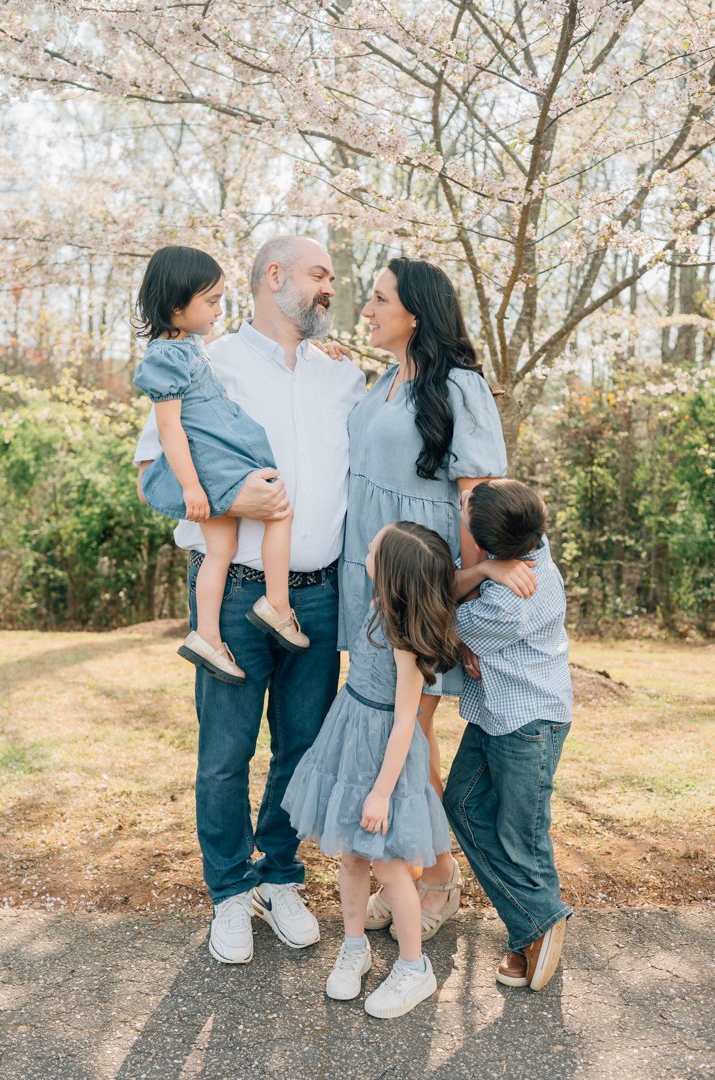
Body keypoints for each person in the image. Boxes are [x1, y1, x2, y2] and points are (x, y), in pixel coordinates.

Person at [134, 236, 366, 964]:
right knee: (225, 757)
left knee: (301, 750)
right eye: (319, 274)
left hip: (320, 597)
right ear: (275, 277)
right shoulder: (208, 363)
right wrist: (233, 497)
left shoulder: (345, 376)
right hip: (232, 596)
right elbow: (152, 471)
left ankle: (281, 877)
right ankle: (231, 893)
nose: (331, 286)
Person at [338, 256, 535, 938]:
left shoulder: (460, 386)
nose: (366, 309)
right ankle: (414, 863)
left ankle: (435, 870)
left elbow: (475, 499)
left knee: (411, 732)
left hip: (423, 584)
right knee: (384, 729)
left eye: (379, 299)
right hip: (366, 580)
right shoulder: (384, 382)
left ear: (416, 312)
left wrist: (472, 604)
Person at [283, 522, 460, 1018]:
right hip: (350, 737)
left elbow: (406, 722)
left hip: (387, 760)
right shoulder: (379, 605)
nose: (366, 551)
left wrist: (381, 793)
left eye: (374, 549)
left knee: (390, 864)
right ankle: (355, 945)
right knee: (352, 857)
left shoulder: (405, 640)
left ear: (394, 574)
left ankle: (412, 967)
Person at [133, 245, 308, 686]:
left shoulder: (186, 346)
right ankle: (277, 605)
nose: (219, 309)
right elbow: (169, 430)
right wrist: (192, 488)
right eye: (210, 301)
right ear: (177, 307)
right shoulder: (166, 357)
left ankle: (206, 635)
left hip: (214, 466)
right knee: (279, 509)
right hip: (213, 469)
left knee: (221, 550)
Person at [444, 479, 573, 992]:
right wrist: (483, 570)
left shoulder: (511, 600)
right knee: (463, 803)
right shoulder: (531, 548)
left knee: (522, 837)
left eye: (464, 509)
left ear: (488, 543)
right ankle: (535, 920)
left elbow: (434, 611)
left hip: (528, 724)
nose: (462, 505)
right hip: (495, 713)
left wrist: (462, 627)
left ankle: (535, 928)